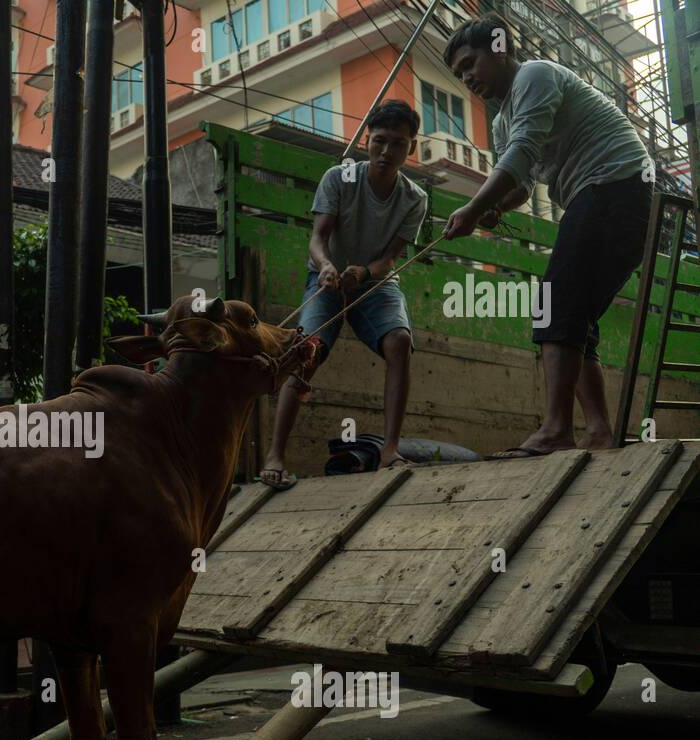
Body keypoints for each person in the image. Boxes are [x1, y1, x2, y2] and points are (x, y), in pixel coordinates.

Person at [442, 14, 653, 457]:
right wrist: (495, 208)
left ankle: (558, 428)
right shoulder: (502, 120)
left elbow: (521, 155)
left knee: (553, 303)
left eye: (470, 64)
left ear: (500, 48)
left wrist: (474, 206)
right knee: (573, 314)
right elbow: (521, 183)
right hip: (598, 196)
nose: (466, 78)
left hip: (617, 184)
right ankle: (598, 431)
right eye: (459, 74)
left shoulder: (535, 75)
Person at [260, 99, 428, 489]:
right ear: (366, 140)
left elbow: (391, 259)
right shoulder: (339, 177)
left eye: (398, 143)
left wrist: (365, 272)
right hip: (327, 280)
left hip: (376, 284)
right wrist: (328, 267)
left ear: (411, 148)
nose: (387, 151)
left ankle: (389, 451)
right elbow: (317, 240)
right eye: (379, 141)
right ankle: (275, 455)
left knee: (400, 341)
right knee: (306, 350)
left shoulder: (415, 198)